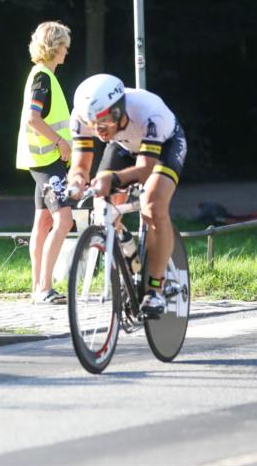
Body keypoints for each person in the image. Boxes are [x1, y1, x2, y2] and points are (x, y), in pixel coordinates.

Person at [66, 73, 187, 316]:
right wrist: (77, 181)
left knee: (152, 205)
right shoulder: (82, 116)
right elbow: (79, 166)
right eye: (93, 124)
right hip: (123, 145)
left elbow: (144, 170)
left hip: (164, 146)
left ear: (119, 109)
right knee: (102, 212)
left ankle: (155, 289)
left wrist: (112, 180)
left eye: (105, 121)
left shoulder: (149, 112)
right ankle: (126, 248)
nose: (99, 130)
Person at [15, 21, 75, 304]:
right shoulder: (43, 79)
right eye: (64, 46)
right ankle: (44, 288)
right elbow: (33, 118)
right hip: (48, 161)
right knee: (64, 220)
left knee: (43, 222)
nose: (66, 52)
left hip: (41, 161)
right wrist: (60, 142)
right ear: (54, 47)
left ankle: (36, 285)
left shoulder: (40, 75)